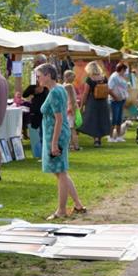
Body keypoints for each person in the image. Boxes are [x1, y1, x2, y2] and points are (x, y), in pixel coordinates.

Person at [36, 63, 86, 219]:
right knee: (61, 172)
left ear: (48, 75)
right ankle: (77, 204)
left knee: (61, 173)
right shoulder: (58, 89)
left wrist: (53, 143)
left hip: (56, 134)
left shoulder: (55, 92)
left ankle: (62, 210)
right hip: (56, 133)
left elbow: (58, 119)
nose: (37, 79)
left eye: (39, 76)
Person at [79, 61, 112, 146]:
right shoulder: (104, 78)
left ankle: (96, 139)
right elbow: (107, 89)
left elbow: (86, 93)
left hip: (93, 102)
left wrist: (82, 105)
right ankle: (99, 139)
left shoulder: (89, 79)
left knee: (93, 120)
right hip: (103, 101)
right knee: (101, 119)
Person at [107, 61, 131, 142]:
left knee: (119, 119)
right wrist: (116, 97)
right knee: (113, 119)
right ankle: (110, 137)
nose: (125, 72)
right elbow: (109, 89)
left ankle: (118, 136)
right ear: (122, 69)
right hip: (115, 101)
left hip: (121, 100)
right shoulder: (114, 77)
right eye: (125, 70)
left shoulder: (121, 76)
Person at [62, 69, 81, 151]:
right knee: (72, 129)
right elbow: (72, 99)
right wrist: (72, 108)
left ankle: (71, 145)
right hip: (70, 109)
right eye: (72, 77)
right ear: (67, 77)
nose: (73, 79)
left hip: (66, 109)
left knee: (68, 128)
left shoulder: (62, 86)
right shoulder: (69, 86)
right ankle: (75, 146)